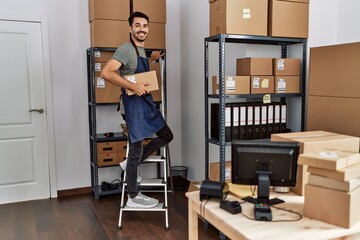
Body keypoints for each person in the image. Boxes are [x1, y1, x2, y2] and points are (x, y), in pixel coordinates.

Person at [100, 11, 173, 208]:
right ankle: (133, 196)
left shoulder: (140, 51)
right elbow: (106, 72)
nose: (142, 29)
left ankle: (131, 164)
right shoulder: (126, 48)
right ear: (130, 28)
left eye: (145, 26)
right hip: (133, 105)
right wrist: (133, 86)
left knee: (166, 135)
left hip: (145, 102)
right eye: (138, 25)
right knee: (136, 148)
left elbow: (134, 70)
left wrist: (152, 59)